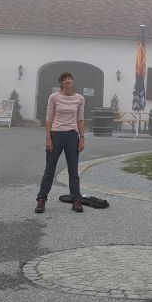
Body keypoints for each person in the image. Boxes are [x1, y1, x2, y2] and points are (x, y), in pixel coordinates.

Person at [35, 71, 85, 213]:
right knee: (49, 170)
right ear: (61, 83)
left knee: (73, 170)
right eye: (65, 79)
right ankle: (41, 199)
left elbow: (80, 119)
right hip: (56, 135)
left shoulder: (79, 98)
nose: (68, 81)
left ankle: (76, 199)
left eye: (70, 78)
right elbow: (49, 118)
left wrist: (82, 138)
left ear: (72, 81)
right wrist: (48, 138)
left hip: (72, 136)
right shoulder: (54, 97)